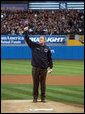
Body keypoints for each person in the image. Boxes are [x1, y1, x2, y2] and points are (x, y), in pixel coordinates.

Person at [24, 27, 53, 103]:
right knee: (35, 83)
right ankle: (35, 98)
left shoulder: (47, 49)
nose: (40, 40)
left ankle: (43, 98)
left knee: (43, 84)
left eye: (41, 39)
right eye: (39, 39)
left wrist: (51, 67)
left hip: (44, 69)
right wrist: (26, 31)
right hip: (35, 68)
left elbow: (50, 59)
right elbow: (27, 40)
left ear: (44, 40)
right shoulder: (34, 46)